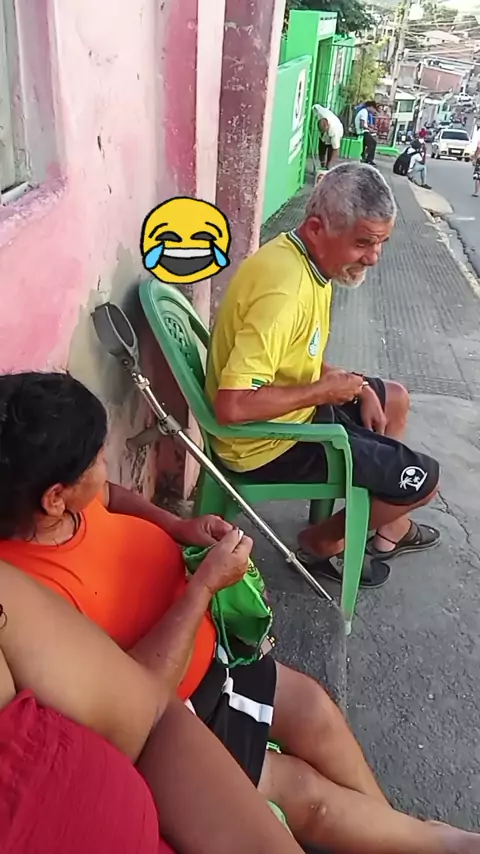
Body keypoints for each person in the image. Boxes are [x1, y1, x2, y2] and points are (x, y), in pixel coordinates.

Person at [0, 374, 476, 853]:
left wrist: (177, 526)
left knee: (314, 708)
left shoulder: (70, 507)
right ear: (54, 497)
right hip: (183, 715)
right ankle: (435, 842)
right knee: (309, 797)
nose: (106, 466)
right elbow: (137, 701)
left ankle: (399, 832)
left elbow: (113, 497)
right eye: (98, 460)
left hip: (214, 657)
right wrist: (203, 586)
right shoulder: (33, 597)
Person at [206, 162, 441, 590]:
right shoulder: (285, 291)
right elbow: (232, 406)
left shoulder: (304, 259)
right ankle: (321, 541)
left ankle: (390, 524)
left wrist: (356, 386)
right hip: (264, 444)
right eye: (362, 243)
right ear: (316, 228)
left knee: (393, 399)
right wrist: (322, 391)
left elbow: (294, 357)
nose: (373, 257)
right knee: (423, 483)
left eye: (381, 242)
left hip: (287, 414)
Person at [0, 558, 303, 854]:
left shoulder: (12, 599)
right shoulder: (35, 571)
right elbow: (150, 696)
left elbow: (150, 720)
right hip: (203, 702)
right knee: (309, 796)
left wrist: (180, 534)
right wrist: (204, 586)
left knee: (312, 714)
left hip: (206, 683)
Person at [313, 104, 344, 170]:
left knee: (331, 151)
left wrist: (330, 165)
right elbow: (315, 106)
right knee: (321, 148)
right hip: (328, 130)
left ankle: (328, 167)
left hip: (337, 131)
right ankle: (322, 166)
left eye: (324, 132)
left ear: (328, 126)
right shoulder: (321, 113)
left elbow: (335, 149)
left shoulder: (335, 131)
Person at [354, 100, 377, 165]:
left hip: (363, 131)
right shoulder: (364, 112)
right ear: (371, 107)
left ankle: (365, 157)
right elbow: (362, 125)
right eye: (374, 109)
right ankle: (369, 159)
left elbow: (364, 123)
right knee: (373, 143)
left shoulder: (364, 111)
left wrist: (370, 127)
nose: (374, 111)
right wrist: (370, 130)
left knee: (370, 142)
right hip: (362, 132)